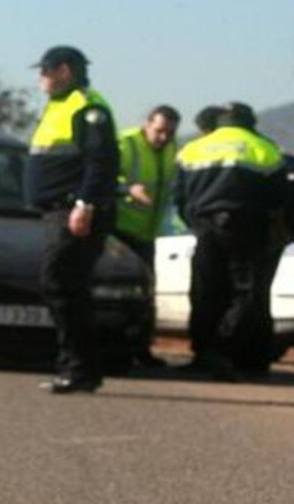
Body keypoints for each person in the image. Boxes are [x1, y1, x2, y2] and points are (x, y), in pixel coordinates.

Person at [25, 45, 119, 393]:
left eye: (45, 71)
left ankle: (78, 367)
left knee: (60, 283)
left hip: (73, 211)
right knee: (65, 287)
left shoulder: (87, 106)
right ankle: (80, 368)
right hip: (58, 210)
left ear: (64, 71)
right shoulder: (59, 107)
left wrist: (86, 204)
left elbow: (101, 161)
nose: (41, 79)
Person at [174, 102, 287, 380]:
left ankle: (201, 353)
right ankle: (222, 348)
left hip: (204, 227)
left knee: (204, 292)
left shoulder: (193, 148)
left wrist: (196, 223)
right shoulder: (265, 149)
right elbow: (278, 200)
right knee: (247, 292)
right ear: (251, 123)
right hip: (246, 228)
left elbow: (179, 197)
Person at [113, 105, 180, 368]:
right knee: (118, 292)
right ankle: (115, 345)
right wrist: (127, 188)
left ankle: (141, 348)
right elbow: (101, 178)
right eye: (159, 130)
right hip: (118, 232)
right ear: (146, 125)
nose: (163, 137)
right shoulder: (126, 144)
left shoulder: (172, 150)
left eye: (170, 133)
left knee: (146, 294)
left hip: (147, 234)